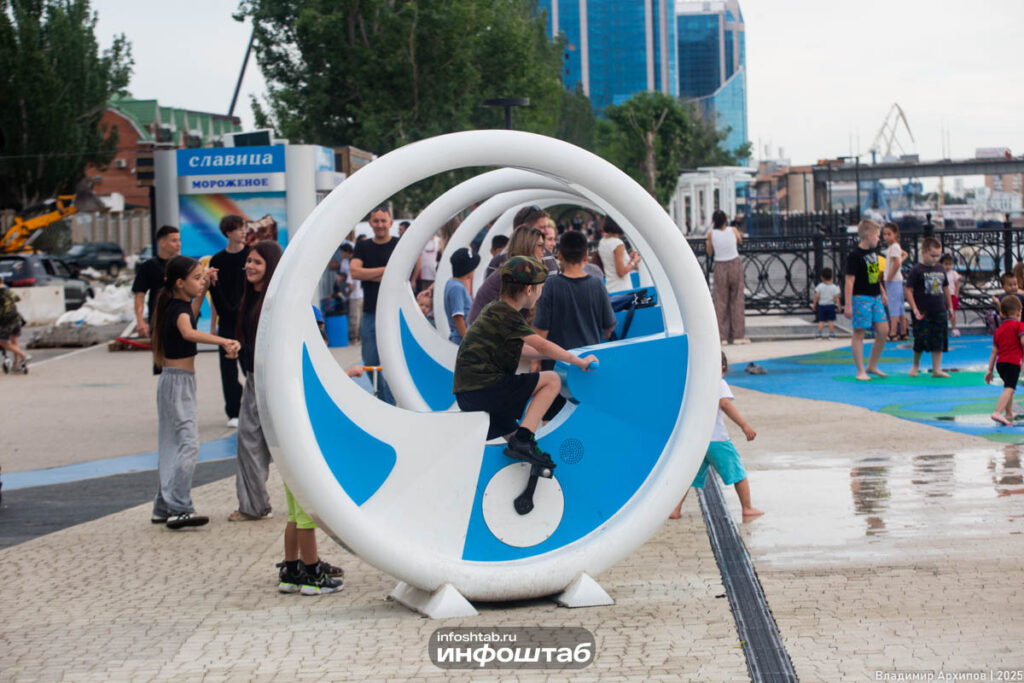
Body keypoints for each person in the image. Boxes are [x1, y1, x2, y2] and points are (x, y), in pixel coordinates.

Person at [453, 256, 597, 469]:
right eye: (540, 289)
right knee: (552, 380)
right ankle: (525, 438)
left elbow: (524, 350)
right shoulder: (508, 315)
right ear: (529, 290)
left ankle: (523, 454)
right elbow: (541, 345)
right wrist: (578, 361)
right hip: (485, 388)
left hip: (469, 393)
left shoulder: (494, 309)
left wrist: (554, 356)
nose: (540, 294)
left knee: (511, 435)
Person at [150, 255, 240, 529]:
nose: (201, 283)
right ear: (180, 282)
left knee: (172, 444)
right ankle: (179, 507)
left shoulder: (176, 304)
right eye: (196, 278)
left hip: (176, 381)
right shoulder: (177, 310)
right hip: (177, 383)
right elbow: (188, 332)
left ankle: (163, 506)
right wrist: (224, 340)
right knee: (188, 444)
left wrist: (206, 286)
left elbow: (192, 312)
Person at [533, 230, 616, 420]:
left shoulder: (551, 286)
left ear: (559, 255)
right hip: (589, 366)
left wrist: (535, 362)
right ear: (586, 256)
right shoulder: (597, 284)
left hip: (555, 368)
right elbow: (609, 327)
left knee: (551, 420)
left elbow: (540, 332)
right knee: (588, 418)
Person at [669, 352, 762, 520]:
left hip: (698, 441)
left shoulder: (694, 383)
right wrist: (744, 425)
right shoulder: (719, 382)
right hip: (717, 440)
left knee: (688, 477)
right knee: (738, 472)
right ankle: (747, 508)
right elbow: (725, 403)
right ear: (722, 368)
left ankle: (675, 510)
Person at [229, 241, 283, 522]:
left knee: (258, 441)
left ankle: (254, 506)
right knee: (249, 441)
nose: (249, 266)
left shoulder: (275, 302)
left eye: (257, 262)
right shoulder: (250, 297)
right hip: (254, 379)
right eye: (248, 261)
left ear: (270, 266)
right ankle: (254, 504)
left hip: (271, 383)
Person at [351, 206, 399, 404]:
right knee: (370, 360)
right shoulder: (363, 246)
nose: (380, 225)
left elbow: (401, 273)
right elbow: (355, 272)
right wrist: (386, 271)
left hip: (394, 313)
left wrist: (369, 274)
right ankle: (384, 399)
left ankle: (391, 401)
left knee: (395, 361)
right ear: (370, 223)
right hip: (371, 311)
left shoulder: (398, 244)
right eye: (376, 221)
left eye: (383, 221)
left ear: (390, 222)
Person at [208, 215, 249, 428]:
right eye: (239, 228)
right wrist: (213, 324)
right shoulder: (217, 261)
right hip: (226, 321)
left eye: (244, 227)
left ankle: (256, 407)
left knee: (250, 366)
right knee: (228, 367)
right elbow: (215, 295)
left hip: (247, 320)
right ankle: (233, 411)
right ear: (228, 233)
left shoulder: (251, 255)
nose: (243, 231)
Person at [467, 225, 546, 325]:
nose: (544, 251)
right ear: (527, 247)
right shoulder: (512, 275)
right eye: (540, 246)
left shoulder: (516, 270)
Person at [844, 219, 889, 381]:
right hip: (860, 297)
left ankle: (872, 365)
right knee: (859, 332)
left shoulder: (872, 254)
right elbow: (849, 280)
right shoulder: (854, 256)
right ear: (869, 235)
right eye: (877, 236)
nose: (879, 239)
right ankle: (860, 370)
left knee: (884, 330)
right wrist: (848, 304)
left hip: (875, 296)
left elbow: (874, 275)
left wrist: (882, 291)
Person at [905, 237, 952, 378]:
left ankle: (936, 368)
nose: (935, 259)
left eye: (938, 256)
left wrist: (950, 307)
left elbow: (946, 288)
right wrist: (914, 308)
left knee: (939, 338)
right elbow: (908, 290)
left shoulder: (940, 268)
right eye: (933, 255)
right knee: (920, 338)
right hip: (922, 310)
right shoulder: (917, 270)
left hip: (939, 308)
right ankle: (915, 365)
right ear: (923, 253)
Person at [132, 225, 181, 341]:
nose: (178, 244)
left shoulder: (184, 265)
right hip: (159, 319)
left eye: (179, 240)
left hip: (182, 318)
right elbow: (139, 295)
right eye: (174, 241)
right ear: (162, 243)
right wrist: (140, 320)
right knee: (161, 352)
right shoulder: (149, 266)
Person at [705, 210, 747, 344]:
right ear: (725, 220)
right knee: (737, 299)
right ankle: (738, 336)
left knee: (721, 301)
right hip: (734, 263)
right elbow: (740, 240)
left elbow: (709, 252)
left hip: (720, 266)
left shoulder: (711, 234)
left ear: (714, 221)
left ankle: (722, 336)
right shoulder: (733, 230)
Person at [985, 296, 1024, 426]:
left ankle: (1009, 413)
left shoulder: (999, 330)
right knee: (1009, 389)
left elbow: (994, 352)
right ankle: (997, 412)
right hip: (1013, 363)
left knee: (1009, 387)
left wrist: (990, 370)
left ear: (1001, 313)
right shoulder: (1019, 326)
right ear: (1019, 312)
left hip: (1000, 364)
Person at [485, 205, 549, 276]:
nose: (547, 232)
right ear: (524, 230)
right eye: (542, 227)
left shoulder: (547, 256)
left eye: (547, 227)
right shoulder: (500, 262)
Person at [444, 247, 479, 344]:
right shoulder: (457, 288)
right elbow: (458, 316)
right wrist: (467, 340)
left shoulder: (452, 283)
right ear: (467, 269)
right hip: (460, 338)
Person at [598, 216, 640, 295]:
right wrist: (634, 261)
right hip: (622, 289)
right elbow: (621, 272)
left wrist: (628, 258)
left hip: (609, 287)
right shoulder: (617, 243)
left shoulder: (602, 242)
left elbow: (612, 263)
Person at [882, 222, 907, 342]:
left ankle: (893, 332)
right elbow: (903, 256)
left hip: (893, 280)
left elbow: (897, 263)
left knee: (894, 307)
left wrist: (890, 276)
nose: (886, 237)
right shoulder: (894, 247)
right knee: (900, 306)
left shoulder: (894, 247)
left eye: (889, 234)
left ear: (895, 234)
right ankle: (903, 331)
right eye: (885, 234)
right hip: (896, 280)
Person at [0, 278, 28, 372]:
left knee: (2, 342)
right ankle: (16, 363)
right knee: (14, 340)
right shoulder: (8, 291)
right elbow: (18, 298)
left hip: (6, 321)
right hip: (16, 318)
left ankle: (23, 354)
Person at [338, 242, 362, 343]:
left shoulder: (351, 268)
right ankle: (359, 336)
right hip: (361, 294)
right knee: (359, 317)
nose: (341, 255)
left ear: (347, 252)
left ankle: (354, 338)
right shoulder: (356, 263)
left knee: (354, 317)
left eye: (342, 252)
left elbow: (351, 286)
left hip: (355, 296)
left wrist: (346, 295)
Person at [812, 267, 841, 339]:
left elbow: (816, 296)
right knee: (830, 321)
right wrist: (838, 306)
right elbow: (836, 297)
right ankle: (831, 335)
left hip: (822, 306)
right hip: (831, 305)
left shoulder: (820, 286)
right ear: (832, 277)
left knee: (821, 321)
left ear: (822, 277)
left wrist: (814, 304)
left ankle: (819, 334)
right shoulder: (834, 287)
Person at [941, 254, 961, 337]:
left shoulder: (954, 273)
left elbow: (957, 285)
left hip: (952, 295)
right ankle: (942, 329)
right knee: (942, 313)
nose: (948, 266)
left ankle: (954, 328)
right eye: (946, 264)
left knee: (952, 312)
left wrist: (956, 295)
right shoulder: (940, 273)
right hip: (942, 296)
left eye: (950, 264)